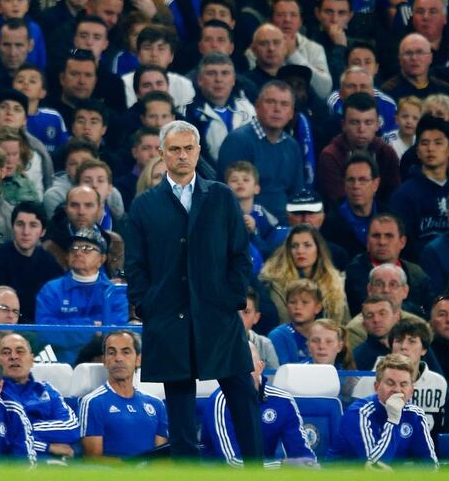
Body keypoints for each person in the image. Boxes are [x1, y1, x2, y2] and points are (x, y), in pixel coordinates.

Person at [124, 120, 260, 460]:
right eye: (174, 149)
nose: (182, 155)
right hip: (168, 316)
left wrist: (231, 298)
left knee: (243, 396)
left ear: (198, 151)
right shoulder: (144, 205)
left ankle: (257, 469)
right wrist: (145, 305)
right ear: (161, 154)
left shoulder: (222, 196)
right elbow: (136, 265)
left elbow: (240, 255)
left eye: (188, 149)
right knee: (180, 408)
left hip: (218, 314)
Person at [203, 341, 316, 465]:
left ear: (260, 367)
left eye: (246, 364)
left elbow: (303, 455)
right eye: (234, 365)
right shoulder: (220, 401)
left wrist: (308, 466)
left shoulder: (283, 400)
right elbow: (232, 463)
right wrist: (282, 466)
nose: (240, 372)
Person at [327, 353, 438, 466]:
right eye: (390, 383)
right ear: (376, 387)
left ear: (411, 391)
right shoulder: (358, 413)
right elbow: (375, 467)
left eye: (404, 384)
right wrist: (393, 420)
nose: (397, 390)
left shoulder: (415, 415)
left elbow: (431, 466)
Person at [36, 225, 126, 364]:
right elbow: (46, 333)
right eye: (74, 248)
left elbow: (116, 335)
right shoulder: (50, 290)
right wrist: (92, 326)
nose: (78, 253)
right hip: (61, 366)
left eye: (87, 249)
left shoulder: (115, 292)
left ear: (102, 259)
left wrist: (69, 329)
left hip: (103, 365)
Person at [217, 81, 304, 221]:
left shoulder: (292, 145)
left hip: (286, 225)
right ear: (257, 106)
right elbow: (229, 196)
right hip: (249, 223)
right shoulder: (238, 141)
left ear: (291, 113)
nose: (277, 109)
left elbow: (297, 194)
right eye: (271, 102)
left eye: (284, 104)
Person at [80, 331, 169, 459]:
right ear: (104, 360)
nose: (118, 358)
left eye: (126, 352)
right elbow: (93, 460)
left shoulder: (156, 405)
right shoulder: (92, 403)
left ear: (138, 359)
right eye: (111, 353)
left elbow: (160, 457)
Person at [0, 202, 62, 322]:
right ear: (12, 227)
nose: (26, 232)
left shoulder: (48, 261)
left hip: (39, 327)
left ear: (43, 232)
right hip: (5, 326)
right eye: (20, 224)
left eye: (33, 225)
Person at [388, 116, 449, 259]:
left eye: (438, 143)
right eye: (424, 143)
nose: (430, 149)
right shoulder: (403, 196)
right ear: (417, 151)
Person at [0, 333, 79, 458]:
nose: (13, 357)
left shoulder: (47, 390)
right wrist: (48, 447)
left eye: (20, 351)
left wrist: (20, 429)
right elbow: (1, 436)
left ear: (31, 360)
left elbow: (71, 429)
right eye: (6, 352)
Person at [259, 223, 349, 326]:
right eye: (294, 246)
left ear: (318, 249)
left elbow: (344, 323)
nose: (300, 251)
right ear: (288, 251)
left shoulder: (334, 282)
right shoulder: (275, 282)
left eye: (307, 245)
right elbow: (282, 321)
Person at [268, 279, 323, 364]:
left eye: (305, 302)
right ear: (286, 305)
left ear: (317, 308)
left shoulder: (326, 334)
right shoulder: (278, 336)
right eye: (292, 302)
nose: (298, 307)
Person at [353, 296, 403, 370]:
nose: (376, 320)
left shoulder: (414, 348)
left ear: (397, 316)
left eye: (382, 313)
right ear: (364, 324)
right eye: (370, 316)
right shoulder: (357, 357)